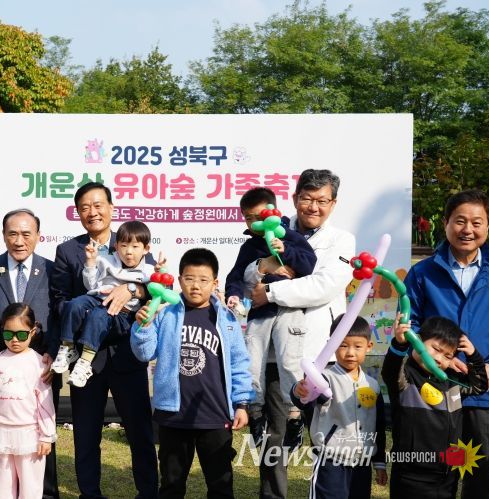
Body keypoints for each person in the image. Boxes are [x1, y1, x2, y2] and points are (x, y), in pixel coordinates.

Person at [248, 169, 356, 499]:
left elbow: (324, 286)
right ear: (295, 199)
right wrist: (260, 272)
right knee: (275, 442)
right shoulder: (270, 228)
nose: (313, 206)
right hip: (276, 356)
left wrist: (272, 292)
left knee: (328, 439)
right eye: (307, 199)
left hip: (321, 354)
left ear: (333, 203)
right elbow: (249, 272)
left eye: (321, 200)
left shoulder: (342, 240)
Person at [50, 182, 158, 499]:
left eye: (98, 205)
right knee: (85, 433)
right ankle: (89, 493)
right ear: (78, 212)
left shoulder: (131, 240)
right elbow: (60, 302)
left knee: (139, 431)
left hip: (127, 353)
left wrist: (133, 290)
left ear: (112, 208)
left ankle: (149, 492)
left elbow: (155, 287)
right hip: (88, 360)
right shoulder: (68, 251)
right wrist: (96, 307)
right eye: (85, 207)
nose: (92, 212)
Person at [131, 248, 253, 498]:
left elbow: (239, 363)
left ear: (215, 283)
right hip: (173, 416)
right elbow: (145, 353)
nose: (195, 286)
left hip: (215, 414)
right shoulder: (164, 314)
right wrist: (142, 326)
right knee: (171, 485)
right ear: (179, 280)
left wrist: (241, 403)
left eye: (203, 280)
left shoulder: (226, 319)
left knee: (221, 485)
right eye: (189, 278)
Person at [403, 189, 489, 498]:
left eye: (476, 222)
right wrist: (434, 358)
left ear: (487, 226)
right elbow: (411, 326)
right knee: (439, 471)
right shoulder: (422, 273)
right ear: (445, 223)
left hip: (484, 395)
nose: (467, 230)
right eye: (459, 221)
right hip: (436, 392)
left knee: (478, 475)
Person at [0, 208, 60, 498]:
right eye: (12, 234)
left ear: (37, 236)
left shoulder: (51, 270)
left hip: (41, 366)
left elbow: (59, 316)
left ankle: (44, 493)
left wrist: (53, 353)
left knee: (42, 435)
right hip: (0, 364)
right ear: (4, 235)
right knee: (3, 429)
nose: (19, 240)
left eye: (26, 233)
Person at [225, 187, 316, 448]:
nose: (253, 223)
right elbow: (236, 277)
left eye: (258, 216)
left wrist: (285, 250)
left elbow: (309, 265)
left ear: (273, 213)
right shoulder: (249, 246)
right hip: (259, 315)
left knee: (290, 363)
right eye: (247, 218)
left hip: (289, 312)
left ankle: (295, 415)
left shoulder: (293, 237)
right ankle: (255, 414)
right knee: (252, 363)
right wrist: (233, 294)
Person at [382, 316, 487, 497]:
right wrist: (399, 344)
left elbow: (479, 386)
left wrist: (473, 355)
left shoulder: (452, 382)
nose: (439, 359)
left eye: (448, 356)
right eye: (436, 349)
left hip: (446, 476)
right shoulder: (406, 377)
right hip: (410, 476)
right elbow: (390, 371)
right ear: (419, 341)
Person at [291, 315, 387, 499]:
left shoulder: (373, 385)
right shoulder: (325, 379)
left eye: (357, 346)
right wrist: (299, 390)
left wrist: (380, 463)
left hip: (362, 465)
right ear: (331, 345)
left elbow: (378, 427)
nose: (350, 352)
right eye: (343, 345)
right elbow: (304, 398)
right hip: (330, 463)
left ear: (369, 347)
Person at [52, 220, 155, 388]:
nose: (129, 252)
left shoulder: (150, 269)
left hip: (122, 317)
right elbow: (91, 285)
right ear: (116, 246)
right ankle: (68, 347)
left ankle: (85, 361)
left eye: (135, 247)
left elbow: (161, 291)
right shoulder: (105, 259)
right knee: (74, 304)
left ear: (146, 249)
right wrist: (91, 263)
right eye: (123, 246)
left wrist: (135, 287)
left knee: (98, 314)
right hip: (97, 298)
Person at [0, 303, 56, 499]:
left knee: (31, 489)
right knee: (2, 488)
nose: (14, 341)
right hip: (0, 434)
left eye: (21, 335)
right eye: (8, 335)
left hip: (30, 436)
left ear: (33, 331)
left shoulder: (40, 363)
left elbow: (45, 402)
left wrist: (46, 436)